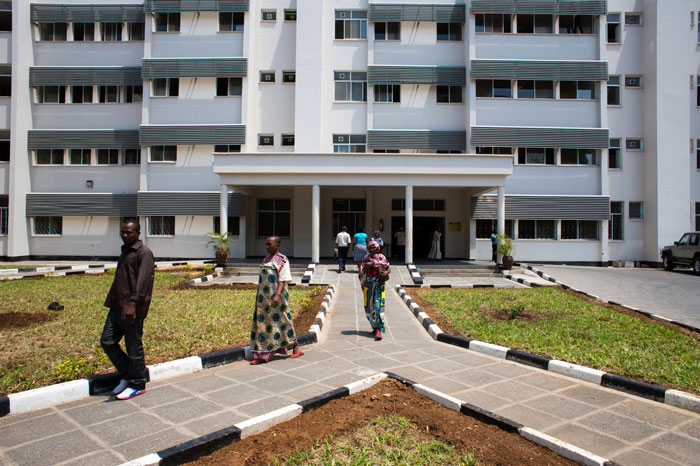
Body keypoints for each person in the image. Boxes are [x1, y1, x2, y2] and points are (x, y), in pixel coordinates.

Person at [101, 218, 155, 400]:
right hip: (117, 306)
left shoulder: (144, 253)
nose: (125, 235)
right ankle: (128, 374)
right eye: (123, 232)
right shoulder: (125, 251)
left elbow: (143, 282)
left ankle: (138, 383)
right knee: (107, 342)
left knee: (134, 348)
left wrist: (133, 305)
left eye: (128, 232)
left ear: (138, 233)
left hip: (132, 309)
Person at [250, 236, 303, 365]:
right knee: (264, 324)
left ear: (277, 245)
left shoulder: (282, 260)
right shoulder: (265, 259)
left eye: (270, 244)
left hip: (277, 297)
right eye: (266, 245)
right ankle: (263, 353)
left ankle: (295, 346)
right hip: (263, 300)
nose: (267, 247)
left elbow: (283, 279)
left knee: (283, 320)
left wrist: (277, 295)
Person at [359, 241, 390, 340]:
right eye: (370, 248)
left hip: (379, 285)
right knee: (368, 306)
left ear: (377, 248)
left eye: (374, 248)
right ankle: (374, 326)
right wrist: (368, 265)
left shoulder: (381, 257)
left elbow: (388, 267)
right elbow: (362, 270)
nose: (372, 249)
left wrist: (385, 272)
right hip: (369, 285)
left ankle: (379, 329)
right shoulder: (366, 258)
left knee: (378, 306)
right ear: (367, 249)